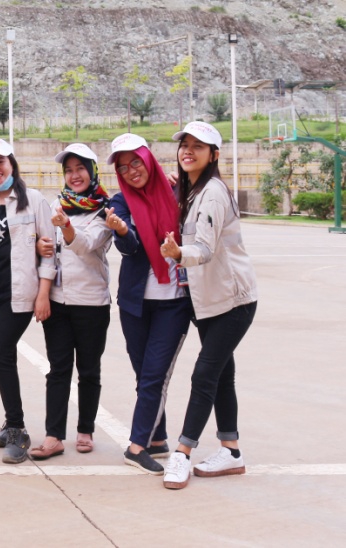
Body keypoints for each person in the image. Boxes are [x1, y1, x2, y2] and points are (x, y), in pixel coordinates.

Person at [160, 122, 258, 490]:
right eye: (184, 145)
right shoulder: (193, 190)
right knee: (221, 374)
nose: (188, 151)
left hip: (232, 301)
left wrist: (177, 253)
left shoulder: (213, 192)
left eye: (198, 146)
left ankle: (182, 453)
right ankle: (231, 451)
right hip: (211, 301)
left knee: (204, 374)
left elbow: (203, 248)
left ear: (214, 155)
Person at [103, 133, 192, 475]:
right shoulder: (120, 202)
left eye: (135, 162)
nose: (131, 171)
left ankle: (136, 446)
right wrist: (122, 231)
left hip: (174, 302)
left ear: (149, 160)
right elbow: (130, 248)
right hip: (135, 303)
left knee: (155, 375)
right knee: (145, 376)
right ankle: (158, 438)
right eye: (123, 168)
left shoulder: (178, 192)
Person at [0, 138, 56, 464]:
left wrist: (44, 293)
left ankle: (18, 429)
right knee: (4, 356)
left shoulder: (33, 200)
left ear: (12, 164)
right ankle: (10, 422)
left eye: (0, 162)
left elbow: (49, 250)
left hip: (20, 294)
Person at [29, 143, 112, 460]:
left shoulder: (105, 209)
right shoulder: (56, 205)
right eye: (68, 170)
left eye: (80, 169)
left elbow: (87, 244)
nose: (74, 175)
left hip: (92, 303)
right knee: (58, 370)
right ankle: (53, 436)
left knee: (89, 370)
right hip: (58, 302)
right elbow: (47, 250)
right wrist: (40, 249)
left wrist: (66, 226)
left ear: (92, 172)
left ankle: (85, 430)